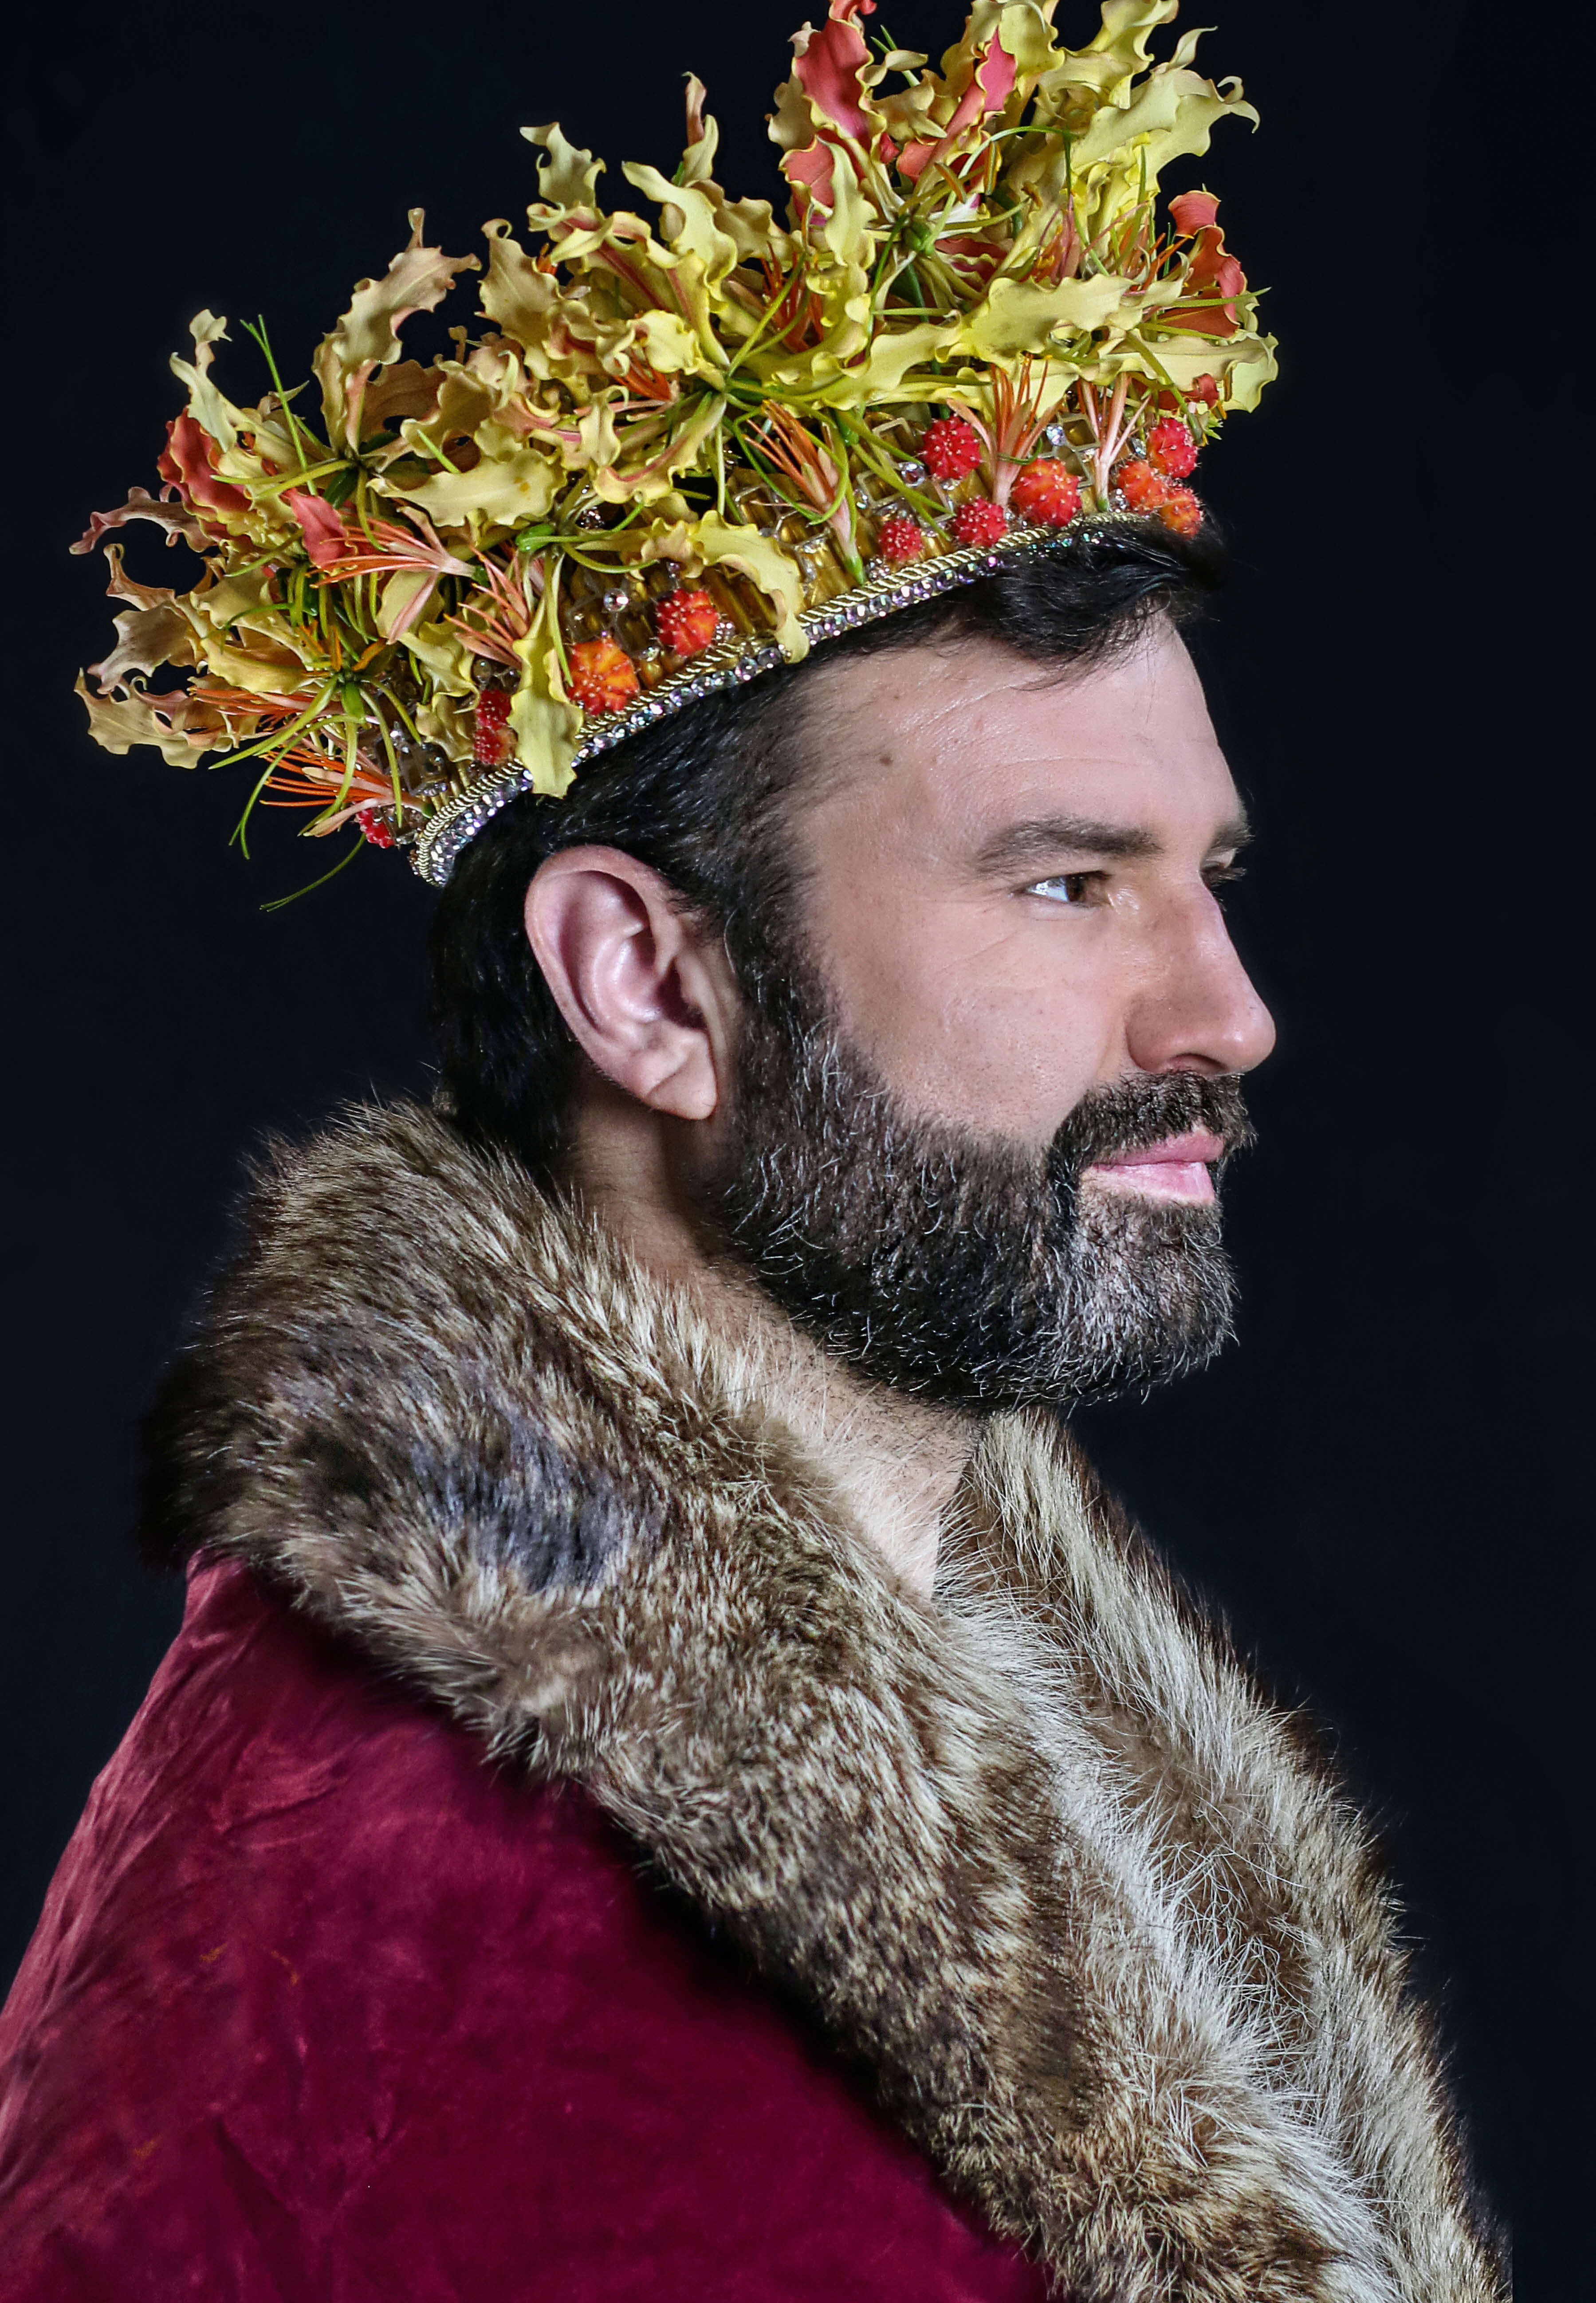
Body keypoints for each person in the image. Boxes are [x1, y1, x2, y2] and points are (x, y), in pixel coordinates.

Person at [0, 3, 1503, 2295]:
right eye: (1066, 882)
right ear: (648, 984)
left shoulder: (987, 1672)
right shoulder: (387, 1917)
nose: (1231, 1014)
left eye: (1210, 876)